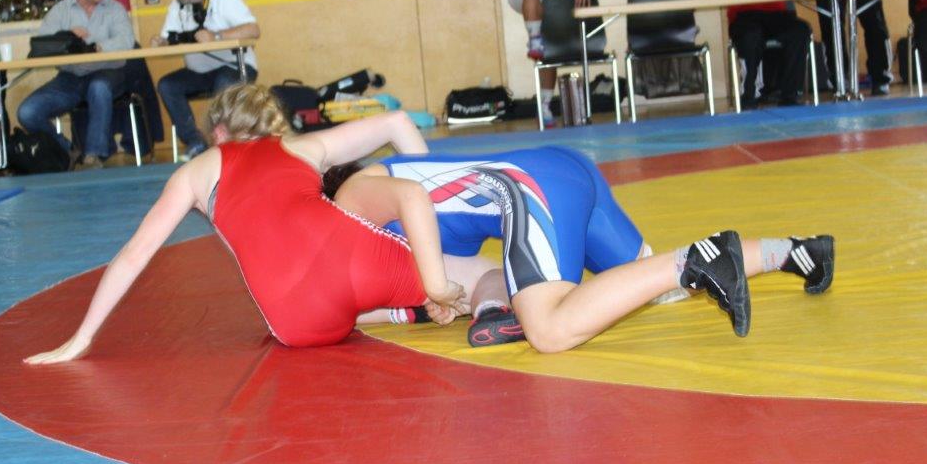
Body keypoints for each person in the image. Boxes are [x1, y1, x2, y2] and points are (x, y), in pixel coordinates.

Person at [25, 86, 478, 365]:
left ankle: (408, 310)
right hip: (364, 266)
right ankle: (436, 294)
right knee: (474, 276)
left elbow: (134, 255)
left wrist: (81, 338)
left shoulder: (193, 174)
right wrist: (436, 238)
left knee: (296, 288)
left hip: (302, 323)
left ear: (219, 133)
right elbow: (397, 122)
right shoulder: (302, 147)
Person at [330, 150, 836, 352]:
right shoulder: (396, 216)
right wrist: (439, 298)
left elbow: (413, 204)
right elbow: (478, 273)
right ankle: (797, 252)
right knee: (656, 288)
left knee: (549, 329)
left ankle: (697, 260)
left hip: (530, 188)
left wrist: (436, 289)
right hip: (566, 170)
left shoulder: (349, 202)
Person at [17, 0, 135, 169]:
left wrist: (94, 47)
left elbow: (126, 41)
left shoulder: (115, 9)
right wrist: (68, 36)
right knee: (27, 112)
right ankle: (68, 150)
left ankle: (94, 155)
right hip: (70, 78)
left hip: (108, 72)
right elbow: (42, 44)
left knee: (98, 87)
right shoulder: (61, 11)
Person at [153, 0, 260, 160]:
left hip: (235, 66)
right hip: (199, 72)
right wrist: (161, 42)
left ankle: (225, 146)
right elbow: (168, 37)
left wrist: (217, 36)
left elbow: (253, 30)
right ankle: (195, 142)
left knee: (224, 84)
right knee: (167, 85)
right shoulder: (177, 6)